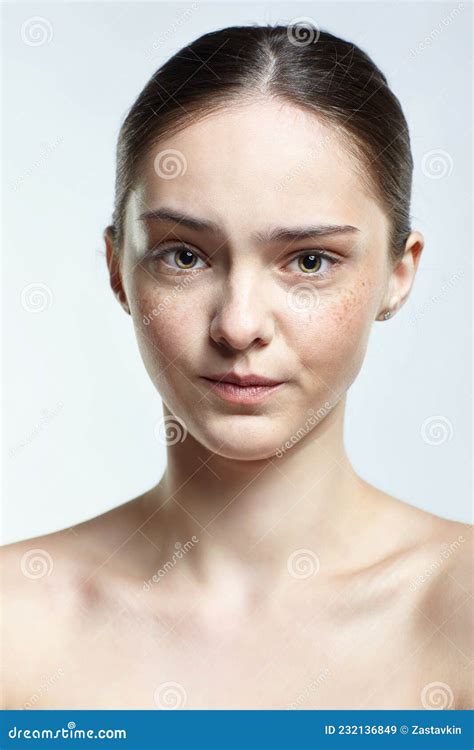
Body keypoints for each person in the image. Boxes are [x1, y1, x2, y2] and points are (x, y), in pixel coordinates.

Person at [2, 23, 471, 710]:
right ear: (117, 269)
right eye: (185, 256)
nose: (239, 325)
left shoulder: (458, 615)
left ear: (398, 275)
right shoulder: (14, 630)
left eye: (310, 260)